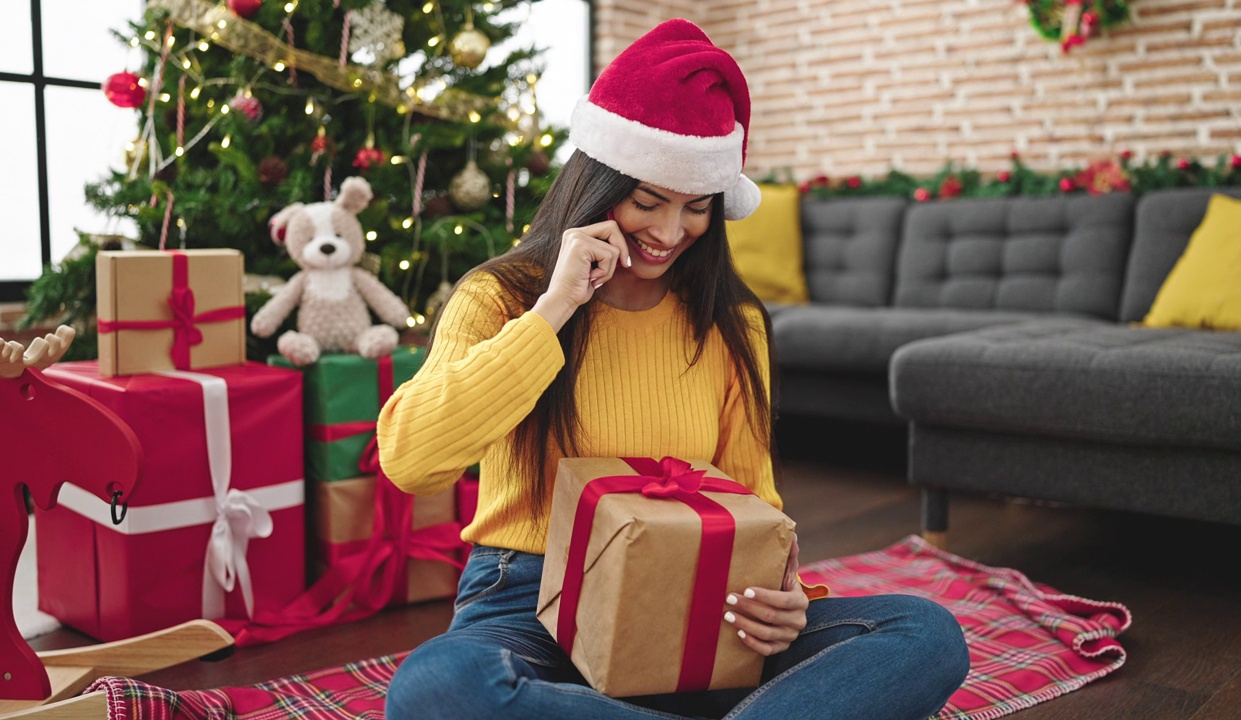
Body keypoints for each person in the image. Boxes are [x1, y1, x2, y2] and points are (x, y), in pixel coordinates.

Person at [377, 18, 969, 720]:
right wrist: (555, 307)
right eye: (646, 201)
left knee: (927, 632)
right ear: (597, 185)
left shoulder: (732, 323)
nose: (667, 232)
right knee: (436, 688)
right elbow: (412, 461)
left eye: (695, 208)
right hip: (526, 599)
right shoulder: (501, 298)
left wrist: (784, 597)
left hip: (697, 594)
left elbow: (754, 500)